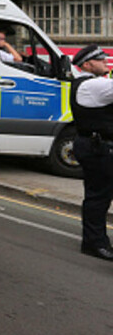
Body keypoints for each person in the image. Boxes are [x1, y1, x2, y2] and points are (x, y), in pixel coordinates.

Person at [69, 45, 113, 261]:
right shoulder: (93, 85)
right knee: (98, 197)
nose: (106, 61)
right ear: (87, 65)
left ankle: (94, 240)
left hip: (95, 145)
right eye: (100, 59)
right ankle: (94, 243)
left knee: (98, 195)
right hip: (98, 148)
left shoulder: (90, 83)